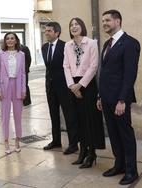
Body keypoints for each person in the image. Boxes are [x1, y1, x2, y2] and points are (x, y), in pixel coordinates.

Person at [97, 10, 140, 185]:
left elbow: (130, 75)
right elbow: (104, 73)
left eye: (108, 20)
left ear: (118, 21)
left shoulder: (130, 43)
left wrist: (122, 100)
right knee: (113, 134)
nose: (104, 23)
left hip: (119, 100)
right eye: (103, 21)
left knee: (125, 134)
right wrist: (100, 95)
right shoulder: (107, 44)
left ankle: (132, 171)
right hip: (106, 98)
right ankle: (119, 165)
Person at [63, 18, 105, 168]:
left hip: (87, 85)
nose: (74, 27)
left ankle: (91, 153)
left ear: (82, 27)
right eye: (71, 25)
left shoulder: (91, 43)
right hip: (72, 85)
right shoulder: (67, 45)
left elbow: (94, 66)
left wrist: (80, 85)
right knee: (77, 119)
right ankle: (82, 152)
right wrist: (72, 86)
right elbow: (66, 66)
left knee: (89, 120)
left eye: (76, 24)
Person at [41, 22, 79, 155]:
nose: (46, 33)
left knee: (69, 115)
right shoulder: (44, 47)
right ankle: (56, 141)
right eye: (45, 31)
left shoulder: (66, 46)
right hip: (50, 87)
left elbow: (70, 67)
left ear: (57, 32)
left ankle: (73, 144)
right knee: (53, 115)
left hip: (64, 87)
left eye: (49, 31)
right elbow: (48, 68)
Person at [0, 32, 26, 154]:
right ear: (5, 41)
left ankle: (17, 140)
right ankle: (6, 141)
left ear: (16, 40)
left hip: (17, 86)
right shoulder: (0, 54)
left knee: (18, 115)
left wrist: (23, 89)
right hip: (4, 87)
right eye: (7, 38)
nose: (10, 40)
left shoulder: (21, 55)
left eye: (12, 38)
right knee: (5, 116)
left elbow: (23, 73)